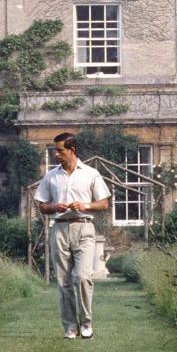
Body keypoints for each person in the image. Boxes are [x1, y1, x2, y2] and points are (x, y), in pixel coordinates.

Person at [34, 132, 111, 340]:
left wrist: (85, 205)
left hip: (84, 228)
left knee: (83, 277)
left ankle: (86, 324)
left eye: (60, 150)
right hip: (59, 229)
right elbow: (41, 205)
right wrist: (54, 206)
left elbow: (104, 203)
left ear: (72, 150)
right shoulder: (51, 176)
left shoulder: (90, 173)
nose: (56, 154)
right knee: (64, 281)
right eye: (55, 150)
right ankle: (70, 327)